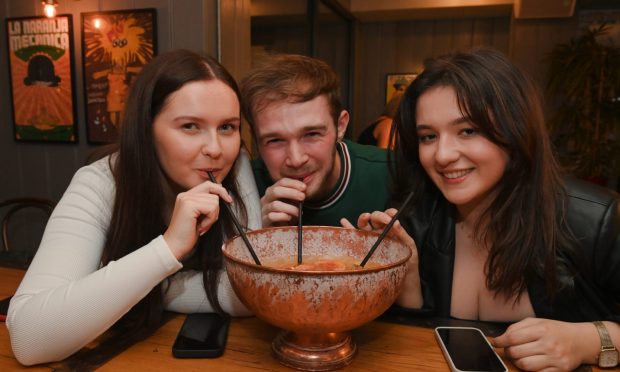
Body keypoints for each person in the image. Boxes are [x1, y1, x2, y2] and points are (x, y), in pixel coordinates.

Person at [353, 48, 620, 371]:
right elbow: (410, 345)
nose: (442, 155)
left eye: (468, 130)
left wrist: (588, 341)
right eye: (428, 136)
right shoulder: (414, 216)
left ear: (515, 129)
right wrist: (407, 286)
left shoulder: (595, 219)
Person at [7, 49, 261, 366]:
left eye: (227, 127)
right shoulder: (99, 184)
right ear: (146, 129)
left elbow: (252, 294)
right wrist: (168, 248)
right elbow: (29, 339)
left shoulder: (235, 166)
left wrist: (149, 287)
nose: (216, 149)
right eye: (190, 126)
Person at [241, 54, 390, 227]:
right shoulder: (243, 188)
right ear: (255, 138)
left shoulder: (391, 174)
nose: (296, 160)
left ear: (340, 126)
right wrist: (258, 237)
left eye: (311, 134)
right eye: (275, 140)